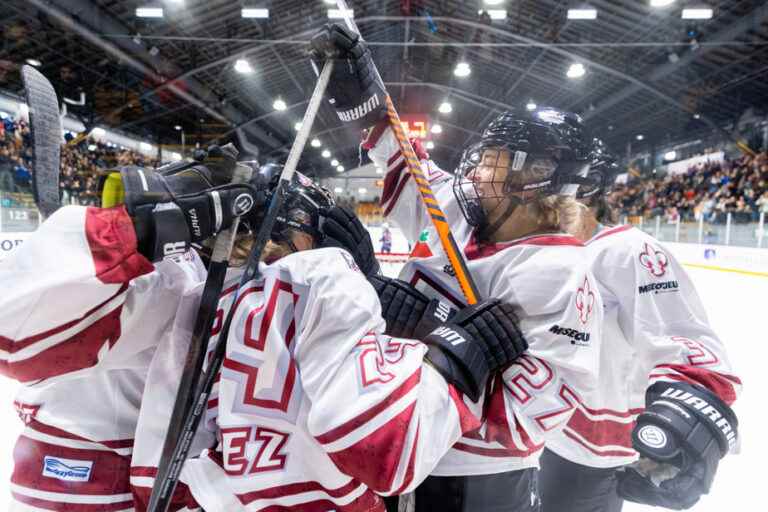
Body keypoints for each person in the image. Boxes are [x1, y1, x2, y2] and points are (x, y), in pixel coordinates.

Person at [312, 23, 605, 511]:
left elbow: (525, 418)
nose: (475, 170)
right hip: (399, 442)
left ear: (538, 177)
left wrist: (425, 328)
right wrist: (362, 99)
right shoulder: (463, 207)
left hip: (475, 479)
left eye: (495, 159)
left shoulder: (559, 274)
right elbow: (408, 163)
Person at [130, 164, 531, 511]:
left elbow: (155, 478)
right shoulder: (322, 274)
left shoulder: (195, 299)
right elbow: (386, 450)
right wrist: (454, 360)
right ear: (298, 228)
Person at [0, 145, 261, 510]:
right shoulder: (162, 279)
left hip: (114, 478)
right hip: (92, 484)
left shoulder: (182, 276)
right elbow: (9, 331)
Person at [538, 140, 741, 512]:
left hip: (595, 450)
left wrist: (691, 402)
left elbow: (682, 333)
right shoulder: (551, 249)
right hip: (551, 431)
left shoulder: (628, 250)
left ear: (587, 193)